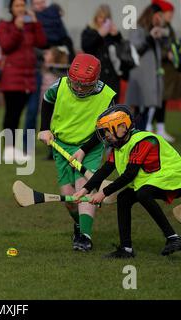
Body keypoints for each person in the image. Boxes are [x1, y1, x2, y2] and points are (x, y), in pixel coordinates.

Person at [73, 105, 181, 258]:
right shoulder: (119, 146)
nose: (106, 135)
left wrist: (103, 193)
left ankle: (173, 238)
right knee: (124, 198)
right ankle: (126, 249)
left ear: (122, 127)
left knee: (143, 193)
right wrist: (84, 190)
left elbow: (129, 175)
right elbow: (104, 170)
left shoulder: (143, 141)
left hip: (174, 178)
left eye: (107, 130)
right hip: (152, 180)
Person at [38, 53, 116, 252]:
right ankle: (80, 223)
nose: (79, 89)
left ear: (96, 81)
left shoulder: (107, 97)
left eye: (85, 86)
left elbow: (105, 131)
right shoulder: (60, 85)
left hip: (91, 145)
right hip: (62, 144)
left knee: (83, 187)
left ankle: (85, 237)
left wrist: (83, 150)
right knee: (68, 197)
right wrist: (45, 128)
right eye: (76, 84)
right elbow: (47, 101)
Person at [0, 0, 46, 163]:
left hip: (29, 77)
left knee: (31, 112)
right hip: (12, 77)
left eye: (22, 5)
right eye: (17, 6)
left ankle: (24, 147)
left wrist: (36, 22)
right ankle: (9, 149)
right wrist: (17, 29)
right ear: (11, 8)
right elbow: (6, 46)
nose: (20, 9)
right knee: (12, 114)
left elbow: (41, 42)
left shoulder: (30, 25)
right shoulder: (5, 25)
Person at [22, 0, 74, 156]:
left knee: (53, 110)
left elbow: (64, 39)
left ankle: (52, 146)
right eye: (36, 2)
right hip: (37, 69)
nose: (39, 4)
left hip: (52, 70)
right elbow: (29, 44)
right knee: (33, 110)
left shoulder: (51, 15)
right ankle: (28, 146)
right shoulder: (31, 18)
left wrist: (56, 55)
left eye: (41, 1)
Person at [125, 3, 165, 131]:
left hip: (152, 75)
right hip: (140, 76)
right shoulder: (138, 29)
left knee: (149, 106)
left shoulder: (154, 30)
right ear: (151, 15)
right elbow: (135, 49)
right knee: (139, 108)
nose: (160, 19)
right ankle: (137, 132)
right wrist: (150, 38)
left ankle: (143, 131)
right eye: (159, 16)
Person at [148, 0, 178, 142]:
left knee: (163, 101)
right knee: (154, 101)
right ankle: (148, 127)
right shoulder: (156, 26)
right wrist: (168, 54)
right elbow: (157, 46)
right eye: (169, 13)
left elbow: (172, 44)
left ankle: (160, 128)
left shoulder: (168, 27)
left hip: (168, 71)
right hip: (159, 70)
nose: (171, 16)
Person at [81, 4, 123, 100]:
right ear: (96, 18)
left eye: (106, 18)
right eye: (100, 17)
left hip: (112, 77)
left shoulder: (112, 34)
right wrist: (99, 35)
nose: (103, 21)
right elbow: (86, 48)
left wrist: (117, 36)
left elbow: (123, 52)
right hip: (95, 75)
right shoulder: (89, 31)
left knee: (111, 106)